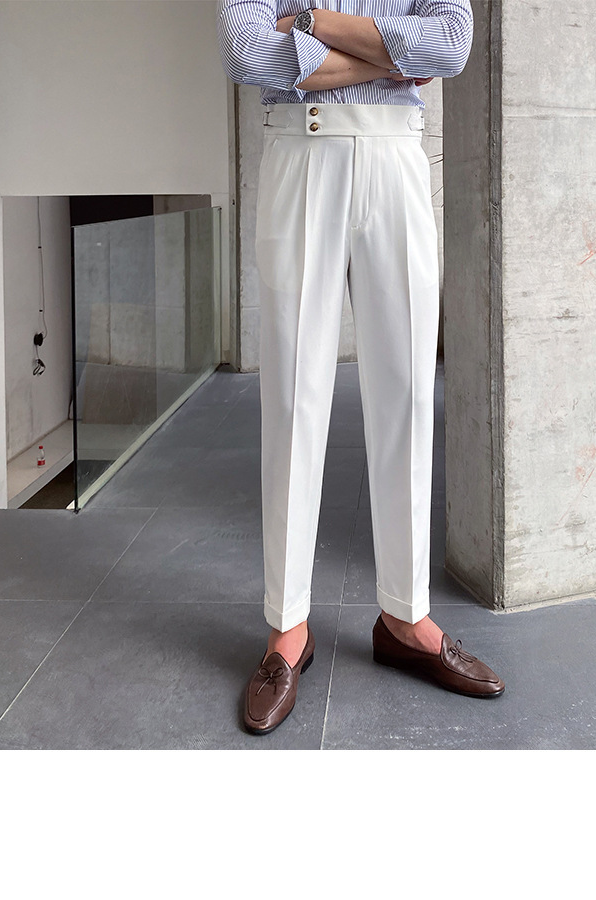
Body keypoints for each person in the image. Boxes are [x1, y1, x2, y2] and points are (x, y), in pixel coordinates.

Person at [217, 0, 505, 736]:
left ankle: (406, 617)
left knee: (407, 389)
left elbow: (449, 46)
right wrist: (391, 58)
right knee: (293, 397)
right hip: (300, 152)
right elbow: (242, 50)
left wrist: (309, 23)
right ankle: (287, 627)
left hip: (395, 157)